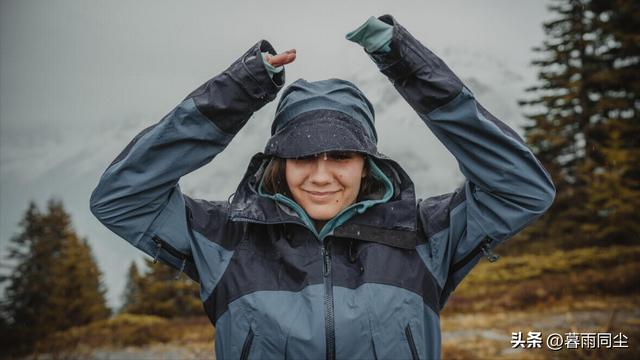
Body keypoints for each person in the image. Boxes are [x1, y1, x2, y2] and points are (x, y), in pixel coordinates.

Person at [90, 14, 555, 360]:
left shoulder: (426, 235)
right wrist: (240, 89)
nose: (320, 175)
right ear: (278, 162)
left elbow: (522, 189)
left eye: (341, 156)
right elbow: (121, 198)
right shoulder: (226, 237)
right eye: (302, 156)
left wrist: (407, 67)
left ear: (368, 163)